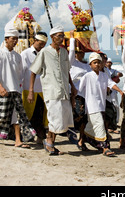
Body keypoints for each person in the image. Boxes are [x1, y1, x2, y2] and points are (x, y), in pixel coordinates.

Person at [28, 25, 77, 155]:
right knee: (54, 119)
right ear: (52, 37)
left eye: (63, 36)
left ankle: (50, 143)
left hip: (64, 91)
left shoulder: (64, 52)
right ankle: (49, 142)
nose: (62, 39)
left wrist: (72, 86)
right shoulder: (44, 52)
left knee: (63, 119)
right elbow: (33, 71)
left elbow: (67, 71)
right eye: (59, 36)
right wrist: (31, 90)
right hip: (52, 91)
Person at [0, 28, 36, 149]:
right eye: (13, 39)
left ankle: (18, 140)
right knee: (0, 114)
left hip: (16, 90)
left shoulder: (18, 57)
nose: (15, 41)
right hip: (4, 90)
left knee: (17, 116)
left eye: (16, 39)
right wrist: (0, 87)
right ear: (6, 39)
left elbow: (19, 74)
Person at [78, 52, 123, 157]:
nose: (97, 65)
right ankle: (105, 147)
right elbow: (80, 91)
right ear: (90, 64)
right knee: (100, 126)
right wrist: (80, 104)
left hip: (101, 105)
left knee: (91, 127)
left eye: (99, 62)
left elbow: (111, 84)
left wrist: (120, 91)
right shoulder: (87, 76)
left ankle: (85, 138)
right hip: (91, 106)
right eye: (95, 63)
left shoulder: (104, 75)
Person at [21, 32, 48, 142]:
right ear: (34, 41)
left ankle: (40, 136)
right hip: (29, 88)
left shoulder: (45, 54)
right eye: (40, 43)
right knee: (29, 114)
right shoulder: (25, 54)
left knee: (41, 114)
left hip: (43, 89)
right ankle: (28, 136)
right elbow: (22, 71)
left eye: (44, 44)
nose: (42, 46)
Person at [68, 32, 91, 150]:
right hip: (75, 94)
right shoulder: (72, 63)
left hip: (86, 95)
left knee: (84, 119)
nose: (80, 54)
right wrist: (72, 39)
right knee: (75, 117)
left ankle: (82, 140)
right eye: (78, 52)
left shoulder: (87, 66)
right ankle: (72, 137)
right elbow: (71, 53)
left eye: (82, 52)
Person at [103, 56, 122, 134]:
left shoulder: (111, 71)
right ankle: (108, 128)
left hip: (112, 91)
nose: (108, 64)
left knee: (115, 106)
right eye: (107, 62)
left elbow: (119, 74)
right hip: (105, 92)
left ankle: (114, 124)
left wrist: (118, 75)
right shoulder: (102, 70)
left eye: (110, 62)